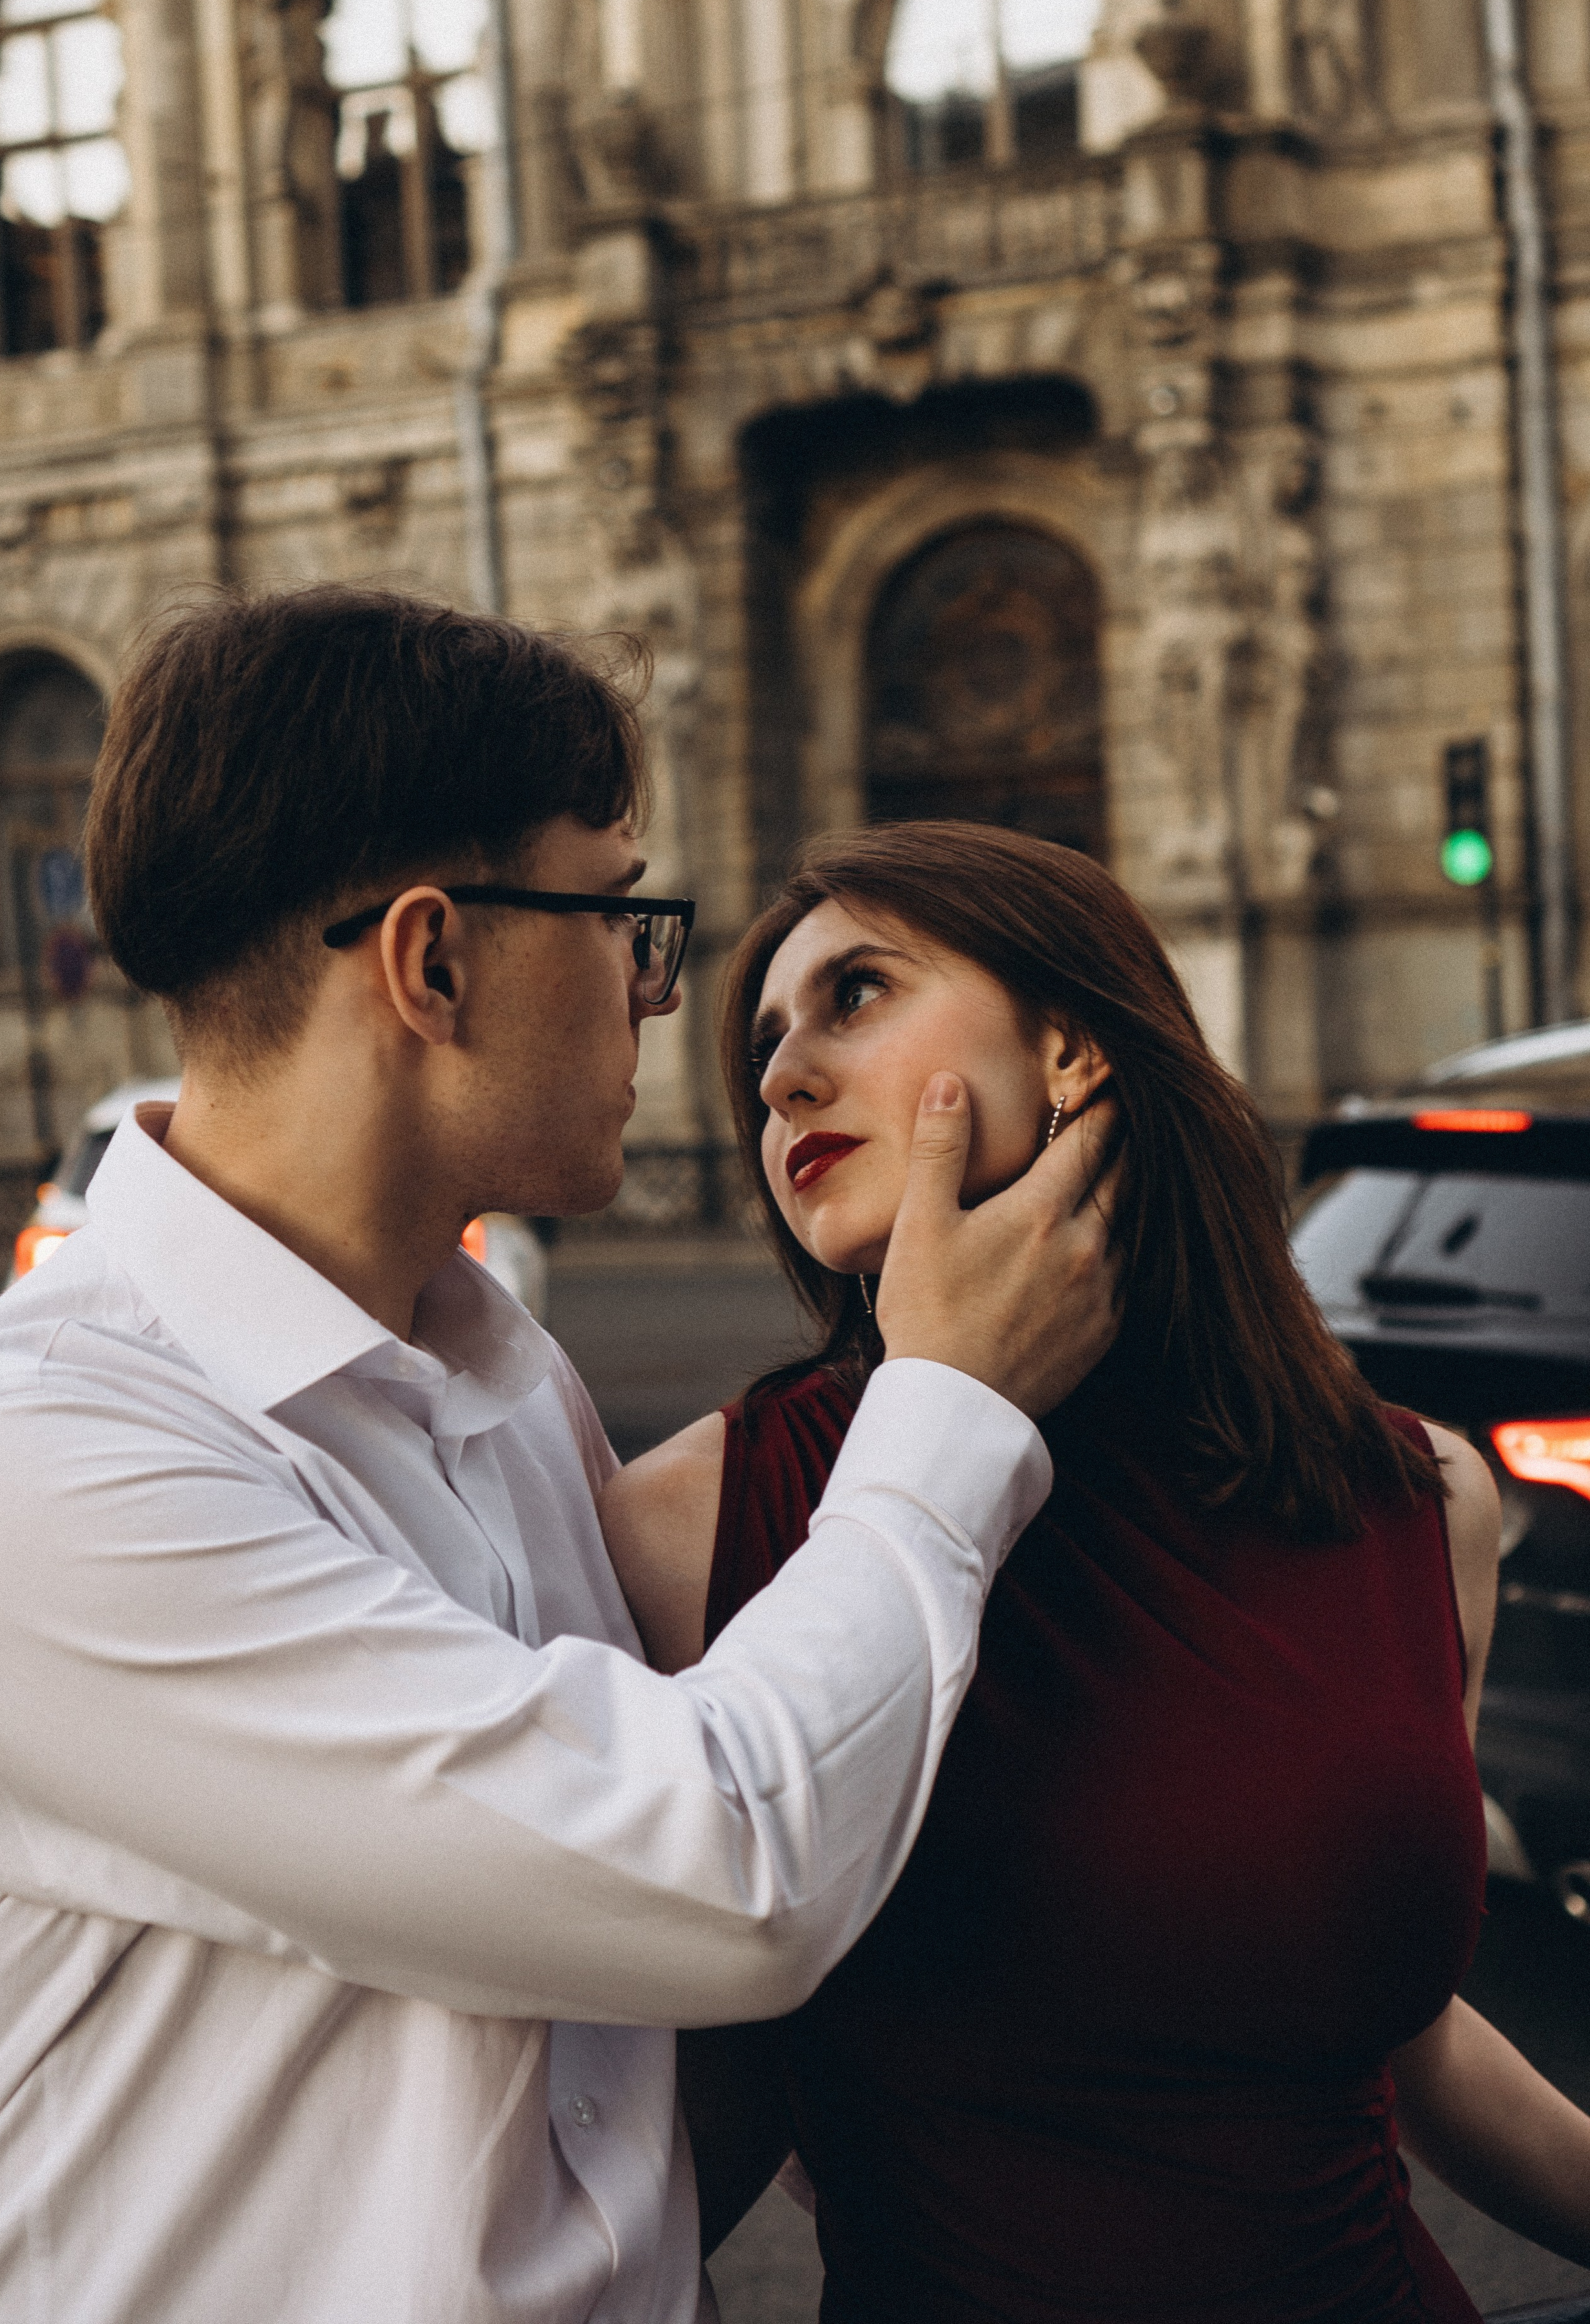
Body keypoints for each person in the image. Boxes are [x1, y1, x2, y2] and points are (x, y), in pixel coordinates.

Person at [0, 592, 1121, 2324]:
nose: (669, 1000)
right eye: (626, 917)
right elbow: (713, 1876)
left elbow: (579, 2076)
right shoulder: (29, 1464)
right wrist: (949, 1405)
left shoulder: (499, 1380)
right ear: (434, 961)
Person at [599, 820, 1590, 2324]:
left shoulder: (1414, 1496)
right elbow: (686, 2113)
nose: (782, 1077)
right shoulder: (699, 1517)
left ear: (1070, 1045)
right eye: (763, 1050)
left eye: (854, 994)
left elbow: (1404, 2034)